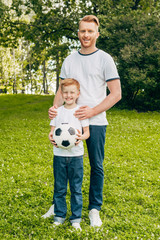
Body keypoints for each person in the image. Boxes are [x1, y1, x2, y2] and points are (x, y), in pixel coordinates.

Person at [43, 15, 122, 227]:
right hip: (68, 124)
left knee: (96, 165)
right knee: (63, 165)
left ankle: (94, 208)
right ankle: (57, 205)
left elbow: (116, 94)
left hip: (95, 121)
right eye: (82, 31)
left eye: (90, 31)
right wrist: (54, 112)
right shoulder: (69, 60)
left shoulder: (105, 59)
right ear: (78, 33)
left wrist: (92, 111)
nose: (85, 35)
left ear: (97, 34)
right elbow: (61, 91)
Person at [48, 78, 89, 230]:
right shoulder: (57, 112)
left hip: (76, 156)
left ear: (78, 94)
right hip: (59, 155)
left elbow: (87, 133)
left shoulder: (81, 112)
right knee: (59, 188)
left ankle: (76, 219)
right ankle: (59, 217)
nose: (68, 95)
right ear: (61, 94)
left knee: (76, 188)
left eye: (72, 92)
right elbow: (52, 132)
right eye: (65, 92)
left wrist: (80, 137)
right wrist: (51, 137)